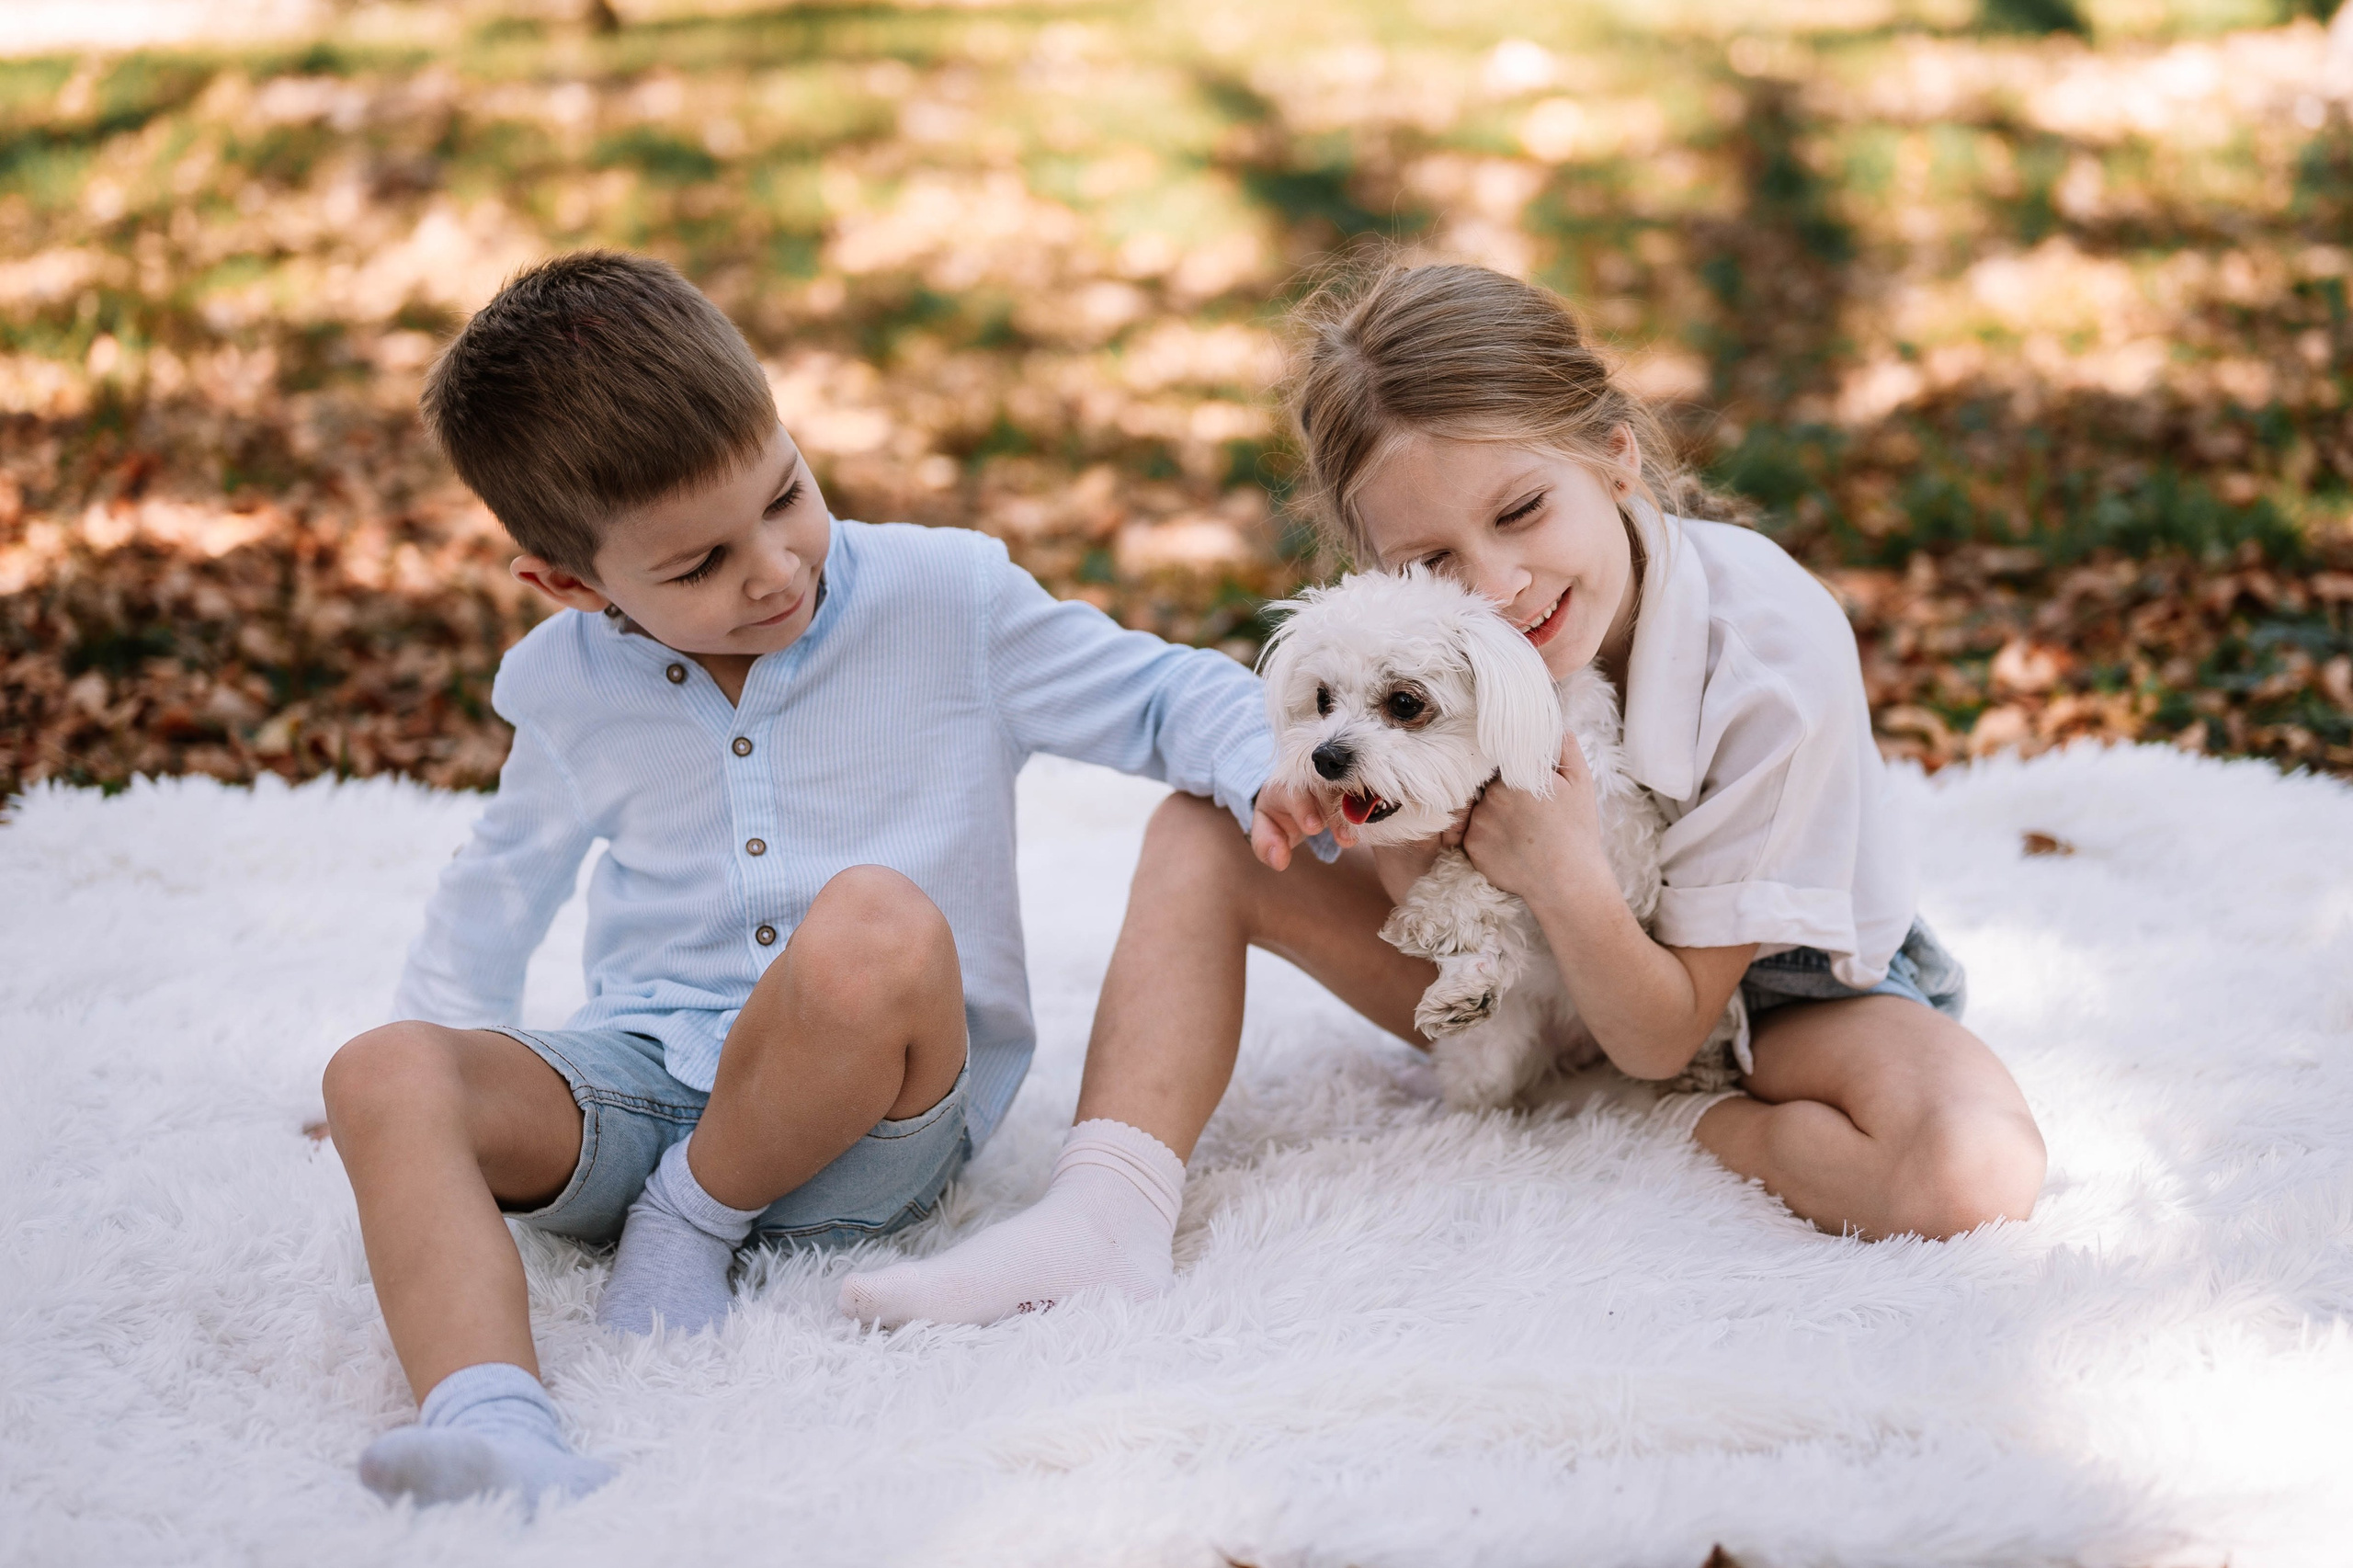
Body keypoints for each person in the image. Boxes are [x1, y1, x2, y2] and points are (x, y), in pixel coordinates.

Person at [837, 261, 2049, 1331]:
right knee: (1200, 834)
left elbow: (1667, 1029)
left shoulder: (1767, 642)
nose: (1501, 584)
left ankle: (1656, 1124)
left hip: (1767, 996)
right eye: (1429, 562)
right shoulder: (1428, 659)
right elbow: (1424, 877)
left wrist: (1565, 874)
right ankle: (1104, 1207)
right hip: (1514, 974)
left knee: (1969, 1171)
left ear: (1615, 456)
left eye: (1523, 509)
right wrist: (1347, 810)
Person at [320, 250, 1278, 1508]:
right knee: (380, 1067)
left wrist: (1268, 766)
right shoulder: (564, 686)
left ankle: (694, 1216)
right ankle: (499, 1425)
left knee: (869, 921)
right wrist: (435, 1063)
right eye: (700, 564)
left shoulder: (950, 598)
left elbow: (1167, 691)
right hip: (651, 1080)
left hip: (875, 1119)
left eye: (787, 494)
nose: (773, 567)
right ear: (572, 585)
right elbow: (501, 879)